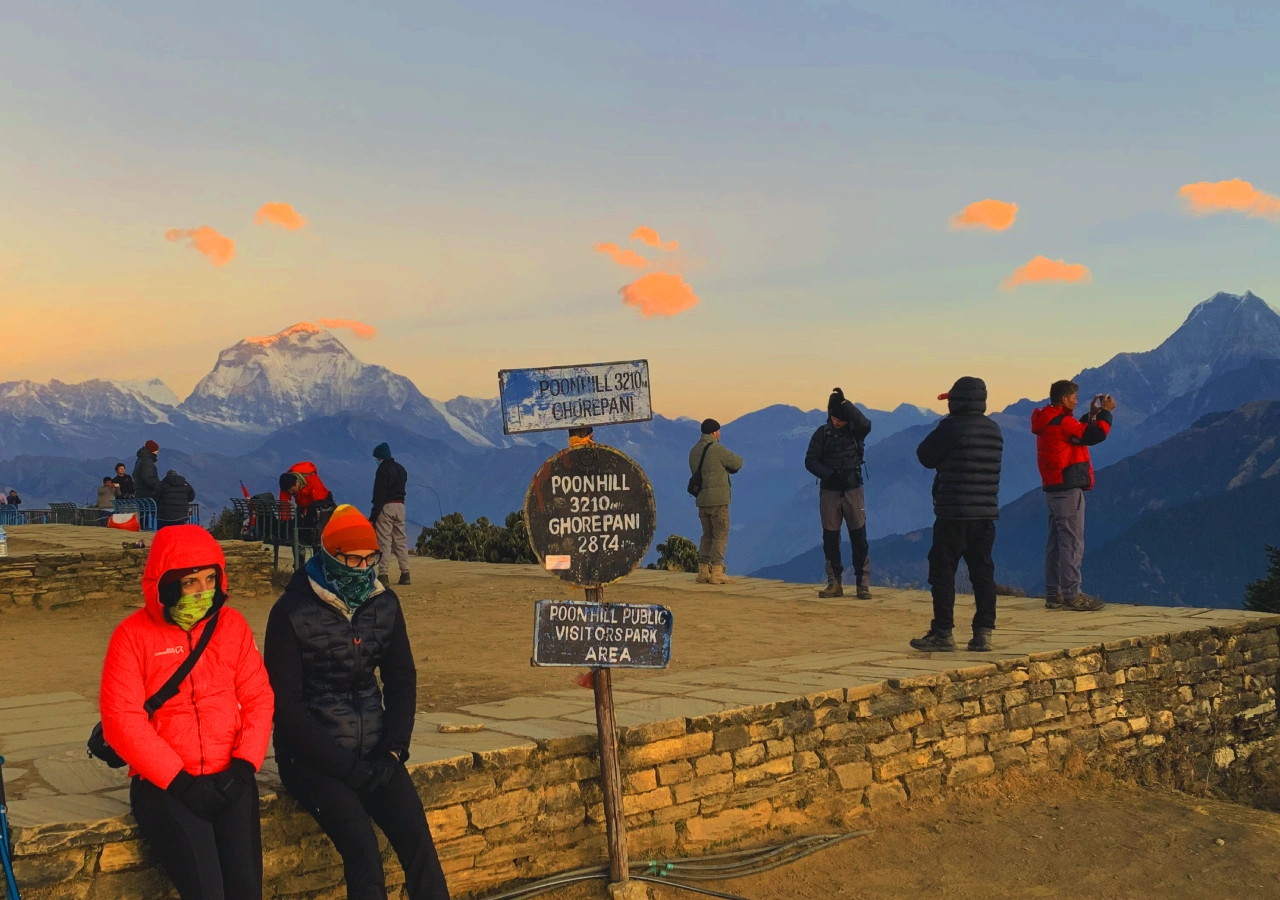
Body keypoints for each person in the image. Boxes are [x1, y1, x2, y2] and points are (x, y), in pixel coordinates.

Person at [265, 506, 451, 900]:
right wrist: (346, 769)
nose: (361, 568)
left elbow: (401, 680)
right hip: (313, 760)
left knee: (418, 841)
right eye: (352, 559)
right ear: (329, 555)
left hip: (376, 751)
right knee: (363, 852)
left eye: (370, 559)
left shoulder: (383, 605)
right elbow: (288, 709)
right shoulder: (291, 613)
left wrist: (395, 750)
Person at [98, 525, 274, 900]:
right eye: (190, 582)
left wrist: (244, 766)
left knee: (246, 890)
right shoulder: (132, 636)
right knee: (207, 891)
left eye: (211, 579)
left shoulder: (232, 626)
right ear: (165, 584)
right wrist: (179, 783)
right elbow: (122, 720)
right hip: (166, 785)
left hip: (231, 775)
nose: (203, 592)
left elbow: (258, 696)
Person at [909, 377, 1004, 652]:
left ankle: (942, 632)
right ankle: (983, 632)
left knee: (943, 571)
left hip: (953, 512)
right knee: (983, 572)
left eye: (950, 399)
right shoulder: (994, 429)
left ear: (957, 400)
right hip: (986, 513)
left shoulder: (951, 427)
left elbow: (925, 456)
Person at [1031, 380, 1115, 612]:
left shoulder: (1049, 420)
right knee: (1071, 542)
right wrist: (1106, 414)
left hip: (1053, 488)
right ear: (1064, 399)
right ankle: (1072, 594)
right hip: (1068, 489)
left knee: (1056, 543)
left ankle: (1053, 593)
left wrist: (1091, 415)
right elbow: (1094, 436)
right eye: (1075, 397)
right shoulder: (1062, 423)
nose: (1077, 401)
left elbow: (1076, 433)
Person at [805, 387, 874, 598]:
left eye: (840, 420)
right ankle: (834, 583)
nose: (836, 422)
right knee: (830, 538)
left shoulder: (856, 430)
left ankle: (863, 585)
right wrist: (830, 475)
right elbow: (810, 461)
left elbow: (866, 423)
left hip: (853, 489)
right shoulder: (822, 433)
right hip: (830, 492)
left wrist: (845, 405)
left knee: (859, 536)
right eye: (834, 418)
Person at [688, 418, 743, 585]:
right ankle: (717, 572)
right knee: (720, 534)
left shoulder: (694, 450)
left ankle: (703, 571)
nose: (719, 434)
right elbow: (737, 462)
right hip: (718, 500)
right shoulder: (717, 449)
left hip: (702, 500)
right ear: (713, 432)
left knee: (707, 535)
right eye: (718, 431)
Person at [371, 442, 411, 586]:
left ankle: (383, 575)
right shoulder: (401, 469)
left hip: (386, 507)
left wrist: (373, 515)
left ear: (380, 457)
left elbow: (379, 494)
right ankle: (405, 573)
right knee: (400, 541)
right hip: (400, 506)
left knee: (384, 542)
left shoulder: (382, 470)